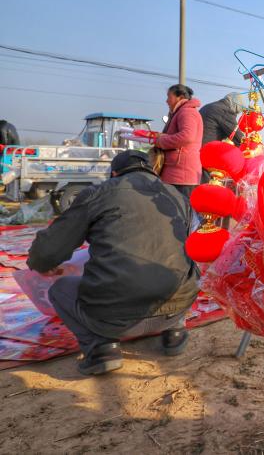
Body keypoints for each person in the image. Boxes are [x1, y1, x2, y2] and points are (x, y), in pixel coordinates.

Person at [27, 150, 200, 375]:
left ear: (115, 173)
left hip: (114, 318)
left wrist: (39, 262)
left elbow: (48, 250)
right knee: (179, 268)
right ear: (151, 170)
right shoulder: (176, 195)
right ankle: (175, 333)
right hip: (176, 308)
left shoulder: (99, 193)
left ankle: (101, 349)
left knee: (60, 289)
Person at [155, 84, 203, 199]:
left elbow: (187, 136)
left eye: (169, 97)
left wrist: (161, 140)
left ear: (180, 97)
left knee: (180, 207)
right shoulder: (182, 112)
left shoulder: (187, 112)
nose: (167, 101)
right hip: (178, 171)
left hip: (182, 173)